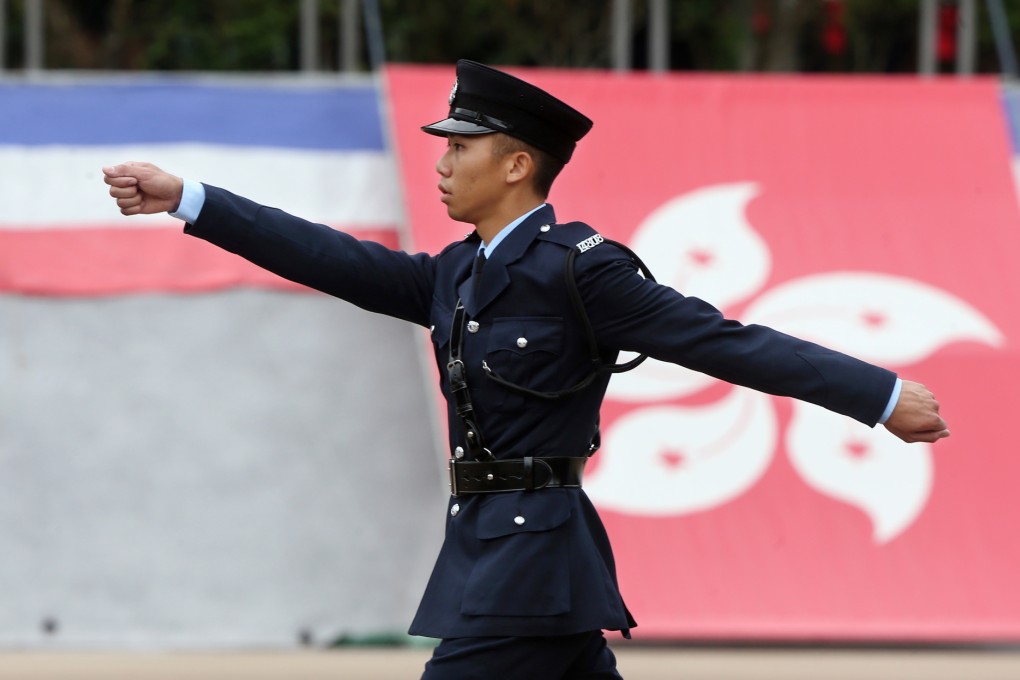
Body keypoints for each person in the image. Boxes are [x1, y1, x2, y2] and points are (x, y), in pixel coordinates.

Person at [103, 59, 948, 679]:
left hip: (529, 564)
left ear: (515, 164)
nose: (442, 163)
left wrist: (878, 397)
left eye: (460, 148)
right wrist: (190, 199)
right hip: (503, 551)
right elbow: (328, 257)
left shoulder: (582, 271)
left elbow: (726, 342)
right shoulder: (455, 274)